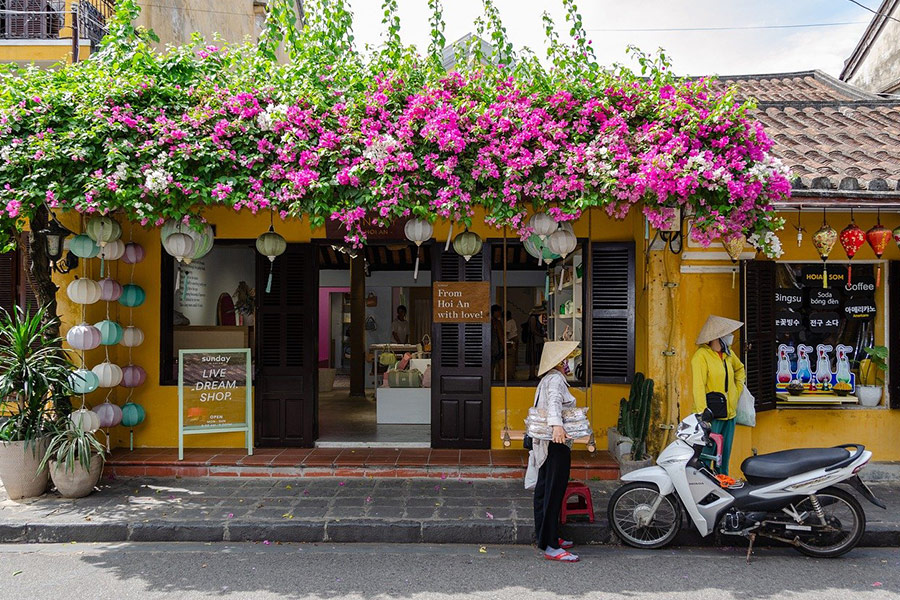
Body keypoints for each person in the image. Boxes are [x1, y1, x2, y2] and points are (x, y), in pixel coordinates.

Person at [526, 340, 581, 562]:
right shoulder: (556, 380)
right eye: (566, 359)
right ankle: (551, 545)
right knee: (553, 491)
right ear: (559, 362)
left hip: (546, 441)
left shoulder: (548, 379)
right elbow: (554, 404)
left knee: (544, 489)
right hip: (556, 441)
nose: (568, 362)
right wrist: (557, 426)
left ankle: (546, 537)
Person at [691, 315, 746, 476]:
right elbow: (698, 386)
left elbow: (740, 369)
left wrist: (737, 390)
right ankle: (706, 484)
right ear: (717, 337)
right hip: (711, 416)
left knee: (724, 457)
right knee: (707, 455)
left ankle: (723, 483)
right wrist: (703, 415)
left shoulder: (728, 354)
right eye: (726, 334)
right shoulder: (701, 356)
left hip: (730, 414)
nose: (730, 337)